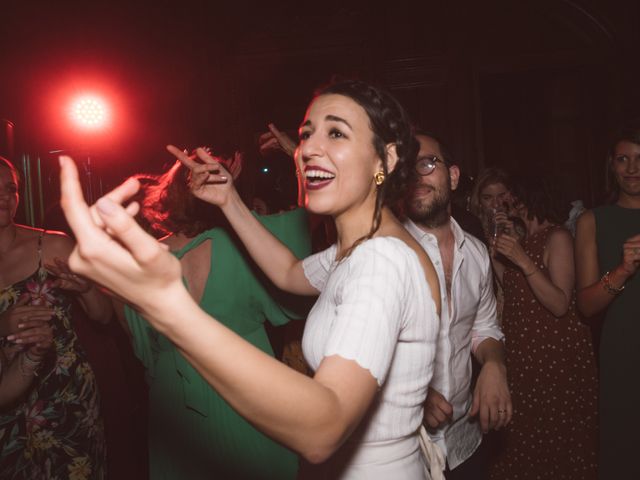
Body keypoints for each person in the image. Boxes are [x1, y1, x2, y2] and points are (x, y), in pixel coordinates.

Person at [59, 80, 442, 479]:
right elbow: (290, 274)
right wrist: (230, 201)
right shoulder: (362, 248)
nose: (309, 148)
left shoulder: (380, 259)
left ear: (387, 158)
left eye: (336, 132)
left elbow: (323, 428)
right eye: (307, 133)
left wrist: (168, 306)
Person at [120, 154, 311, 479]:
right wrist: (299, 164)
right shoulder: (245, 245)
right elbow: (305, 223)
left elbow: (141, 344)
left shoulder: (142, 257)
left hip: (173, 401)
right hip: (245, 384)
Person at [403, 133, 510, 480]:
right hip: (406, 448)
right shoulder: (388, 252)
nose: (416, 175)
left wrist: (494, 364)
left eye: (427, 163)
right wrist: (412, 390)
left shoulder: (476, 252)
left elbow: (484, 328)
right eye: (407, 167)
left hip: (466, 441)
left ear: (452, 176)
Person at [0, 156, 110, 479]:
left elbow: (104, 317)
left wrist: (87, 289)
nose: (4, 197)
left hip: (65, 396)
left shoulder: (51, 245)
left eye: (11, 189)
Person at [489, 177, 598, 479]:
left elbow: (560, 303)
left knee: (557, 437)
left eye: (511, 194)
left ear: (529, 196)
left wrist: (522, 259)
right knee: (526, 438)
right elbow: (509, 288)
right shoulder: (522, 242)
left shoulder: (558, 236)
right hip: (523, 352)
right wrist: (497, 247)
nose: (505, 201)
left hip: (553, 354)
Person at [575, 123, 640, 479]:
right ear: (611, 166)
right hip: (624, 354)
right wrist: (622, 271)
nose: (632, 168)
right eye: (623, 159)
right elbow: (586, 306)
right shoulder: (592, 221)